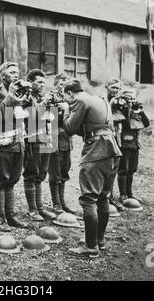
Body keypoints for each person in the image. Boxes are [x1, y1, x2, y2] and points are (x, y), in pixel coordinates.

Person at [59, 78, 122, 258]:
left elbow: (70, 128)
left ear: (70, 93)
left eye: (66, 97)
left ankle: (90, 247)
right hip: (111, 150)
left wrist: (65, 111)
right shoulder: (99, 100)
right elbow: (88, 127)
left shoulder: (79, 100)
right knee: (103, 198)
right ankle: (98, 240)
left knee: (88, 199)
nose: (67, 101)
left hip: (96, 152)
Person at [0, 62, 29, 231]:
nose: (16, 75)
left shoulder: (20, 91)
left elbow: (27, 113)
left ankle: (10, 215)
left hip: (18, 142)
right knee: (0, 180)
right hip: (2, 143)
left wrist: (27, 98)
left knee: (13, 180)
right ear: (2, 75)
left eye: (17, 72)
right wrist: (10, 96)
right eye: (11, 72)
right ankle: (0, 217)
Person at [22, 69, 56, 221]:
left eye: (44, 82)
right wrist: (44, 103)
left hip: (45, 137)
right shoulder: (25, 97)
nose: (42, 85)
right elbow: (31, 114)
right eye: (39, 82)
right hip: (32, 139)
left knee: (41, 174)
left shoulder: (41, 98)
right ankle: (32, 209)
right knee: (31, 173)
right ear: (30, 82)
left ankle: (40, 207)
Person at [110, 87, 149, 202]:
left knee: (131, 169)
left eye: (132, 97)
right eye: (128, 97)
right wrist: (124, 107)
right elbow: (125, 123)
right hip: (124, 144)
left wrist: (139, 110)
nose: (131, 100)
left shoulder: (135, 109)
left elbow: (146, 123)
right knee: (123, 170)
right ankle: (123, 194)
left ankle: (129, 193)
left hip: (134, 145)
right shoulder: (119, 109)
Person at [48, 73, 75, 214]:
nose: (63, 86)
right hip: (54, 137)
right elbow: (48, 118)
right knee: (55, 171)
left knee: (65, 170)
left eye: (66, 84)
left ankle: (62, 202)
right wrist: (64, 110)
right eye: (61, 83)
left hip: (66, 139)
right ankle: (56, 203)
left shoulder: (70, 98)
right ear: (55, 84)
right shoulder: (51, 97)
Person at [105, 78, 125, 211]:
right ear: (107, 87)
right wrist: (110, 104)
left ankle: (110, 197)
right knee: (105, 169)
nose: (115, 90)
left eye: (117, 88)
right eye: (113, 87)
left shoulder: (120, 102)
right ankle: (103, 199)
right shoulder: (103, 101)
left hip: (117, 139)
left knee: (114, 170)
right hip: (105, 139)